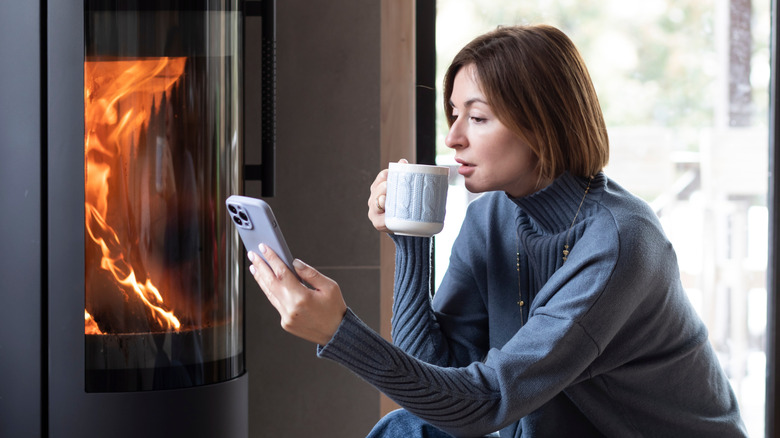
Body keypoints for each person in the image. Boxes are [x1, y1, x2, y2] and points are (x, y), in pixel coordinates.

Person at [247, 24, 747, 437]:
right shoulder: (494, 215)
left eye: (479, 117)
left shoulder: (618, 243)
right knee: (406, 429)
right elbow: (437, 375)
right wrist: (412, 237)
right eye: (454, 114)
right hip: (546, 428)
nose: (453, 137)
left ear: (543, 124)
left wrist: (339, 332)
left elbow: (485, 401)